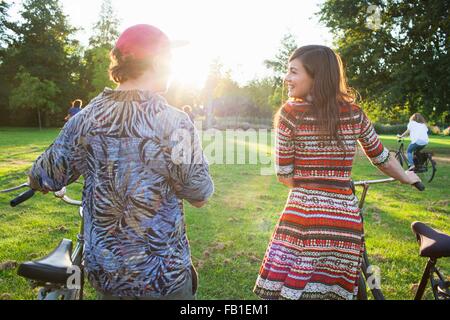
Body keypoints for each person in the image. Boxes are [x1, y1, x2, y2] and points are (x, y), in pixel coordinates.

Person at [28, 24, 214, 300]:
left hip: (108, 277)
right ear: (157, 63)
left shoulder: (86, 118)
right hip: (164, 278)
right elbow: (199, 195)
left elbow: (43, 176)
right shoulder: (175, 122)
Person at [253, 45, 421, 300]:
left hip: (303, 221)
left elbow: (284, 175)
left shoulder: (289, 113)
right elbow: (381, 157)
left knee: (288, 292)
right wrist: (407, 176)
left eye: (293, 72)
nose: (286, 78)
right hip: (345, 225)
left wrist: (311, 179)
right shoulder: (354, 113)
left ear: (315, 76)